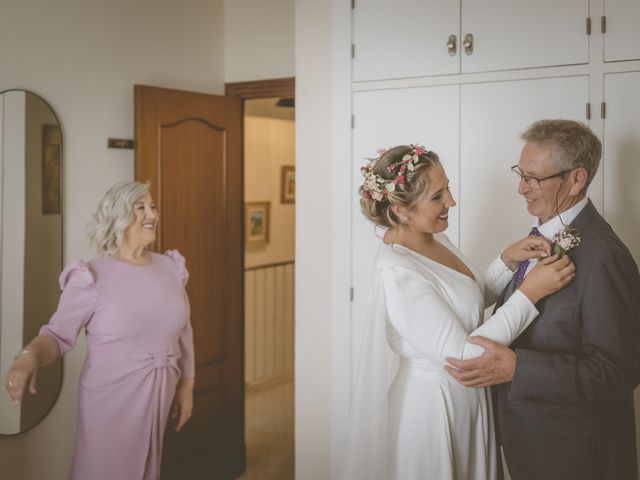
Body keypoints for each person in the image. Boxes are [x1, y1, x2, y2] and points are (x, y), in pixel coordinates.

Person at [342, 144, 575, 480]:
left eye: (448, 187)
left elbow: (462, 303)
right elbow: (465, 355)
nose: (451, 201)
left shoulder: (432, 238)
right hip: (434, 412)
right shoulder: (397, 271)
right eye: (438, 196)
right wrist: (530, 294)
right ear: (401, 209)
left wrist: (507, 261)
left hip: (466, 402)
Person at [445, 120, 640, 480]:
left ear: (576, 179)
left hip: (576, 457)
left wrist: (517, 368)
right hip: (529, 446)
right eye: (521, 173)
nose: (521, 188)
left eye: (534, 178)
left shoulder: (604, 255)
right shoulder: (539, 239)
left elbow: (618, 371)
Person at [4, 180, 195, 480]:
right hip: (110, 400)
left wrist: (186, 386)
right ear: (117, 216)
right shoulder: (91, 275)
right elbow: (57, 335)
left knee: (148, 470)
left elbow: (183, 329)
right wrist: (28, 356)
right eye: (140, 207)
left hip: (160, 392)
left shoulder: (169, 267)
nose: (152, 214)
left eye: (153, 206)